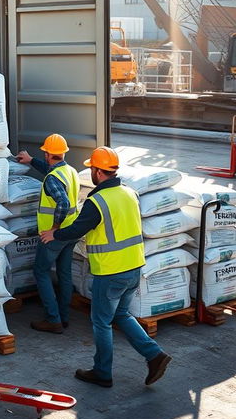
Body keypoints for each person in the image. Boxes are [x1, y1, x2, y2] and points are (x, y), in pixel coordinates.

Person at [45, 146, 171, 387]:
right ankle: (154, 355)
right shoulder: (130, 193)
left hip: (111, 272)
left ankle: (102, 372)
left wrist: (54, 234)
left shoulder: (97, 201)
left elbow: (78, 229)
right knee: (121, 314)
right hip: (134, 267)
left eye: (92, 168)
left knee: (101, 322)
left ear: (97, 171)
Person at [16, 133, 80, 334]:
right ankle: (64, 317)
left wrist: (53, 229)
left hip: (55, 235)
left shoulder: (53, 178)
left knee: (41, 271)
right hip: (72, 231)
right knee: (64, 273)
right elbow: (51, 173)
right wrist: (30, 161)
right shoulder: (69, 170)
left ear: (47, 154)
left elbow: (63, 202)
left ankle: (53, 319)